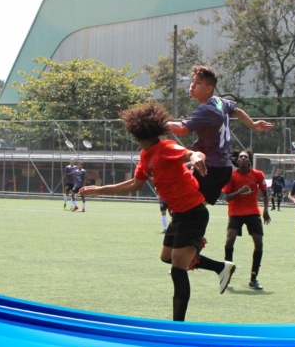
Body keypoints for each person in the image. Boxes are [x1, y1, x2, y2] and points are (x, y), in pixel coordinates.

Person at [80, 101, 236, 322]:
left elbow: (192, 154)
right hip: (179, 215)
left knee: (178, 269)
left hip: (193, 213)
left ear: (138, 134)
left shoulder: (166, 148)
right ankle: (221, 267)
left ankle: (177, 326)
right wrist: (100, 190)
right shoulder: (145, 156)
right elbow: (135, 184)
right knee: (166, 257)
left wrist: (195, 158)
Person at [166, 65, 273, 206]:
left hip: (210, 167)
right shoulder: (219, 101)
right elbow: (238, 111)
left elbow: (182, 128)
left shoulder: (207, 109)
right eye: (193, 81)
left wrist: (154, 124)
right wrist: (252, 125)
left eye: (198, 83)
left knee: (185, 206)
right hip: (223, 168)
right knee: (194, 207)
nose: (192, 85)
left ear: (209, 89)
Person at [222, 149, 271, 290]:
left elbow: (265, 193)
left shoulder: (258, 174)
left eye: (245, 157)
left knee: (259, 243)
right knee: (229, 240)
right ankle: (227, 274)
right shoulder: (231, 176)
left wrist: (266, 211)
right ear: (237, 161)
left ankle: (254, 278)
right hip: (235, 213)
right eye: (241, 157)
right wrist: (240, 191)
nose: (243, 158)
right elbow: (227, 197)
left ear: (249, 160)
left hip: (252, 212)